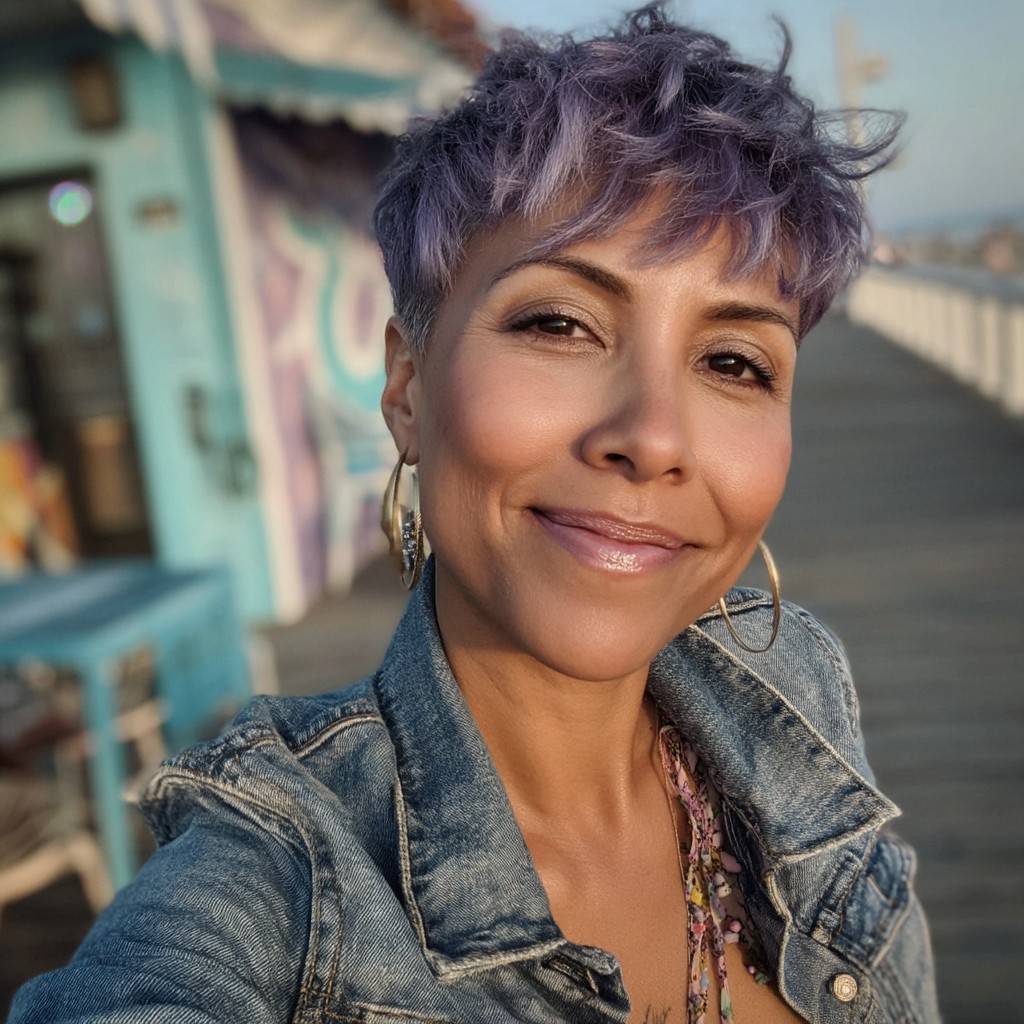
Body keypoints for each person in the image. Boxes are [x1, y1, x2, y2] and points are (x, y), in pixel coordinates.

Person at [10, 7, 939, 1023]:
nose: (654, 435)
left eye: (733, 361)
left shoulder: (791, 696)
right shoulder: (277, 873)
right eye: (559, 322)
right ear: (407, 386)